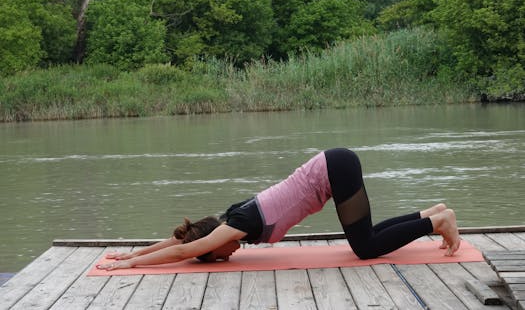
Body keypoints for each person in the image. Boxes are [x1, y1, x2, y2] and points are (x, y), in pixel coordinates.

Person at [97, 148, 460, 270]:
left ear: (214, 242)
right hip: (332, 167)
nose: (229, 255)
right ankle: (432, 213)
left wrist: (130, 264)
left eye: (219, 255)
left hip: (333, 170)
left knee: (364, 248)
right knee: (366, 237)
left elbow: (185, 249)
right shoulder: (226, 219)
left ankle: (437, 221)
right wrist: (133, 253)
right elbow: (179, 238)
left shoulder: (236, 225)